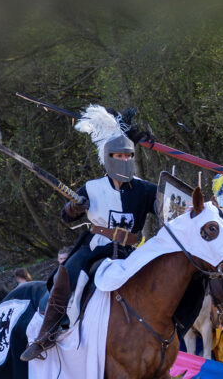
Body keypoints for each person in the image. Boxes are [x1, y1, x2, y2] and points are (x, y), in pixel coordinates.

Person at [21, 105, 157, 361]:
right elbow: (65, 216)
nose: (125, 160)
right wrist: (74, 207)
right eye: (119, 156)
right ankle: (47, 333)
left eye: (128, 156)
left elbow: (168, 208)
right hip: (97, 247)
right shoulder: (91, 188)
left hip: (133, 250)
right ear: (108, 158)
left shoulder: (146, 189)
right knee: (69, 273)